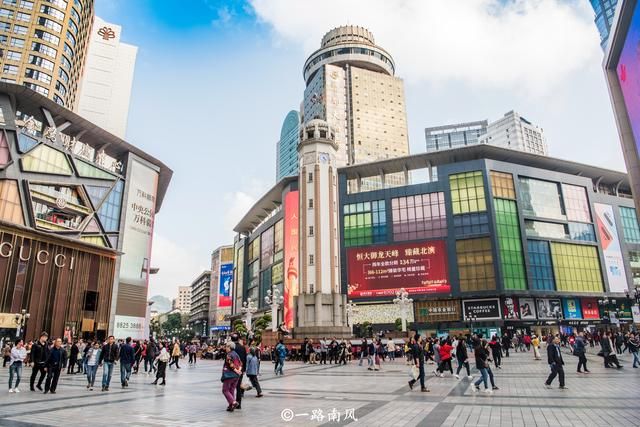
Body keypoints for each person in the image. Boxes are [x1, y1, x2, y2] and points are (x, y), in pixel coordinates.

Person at [221, 342, 242, 412]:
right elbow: (240, 363)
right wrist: (239, 370)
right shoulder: (236, 354)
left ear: (229, 347)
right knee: (231, 390)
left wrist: (236, 370)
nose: (225, 348)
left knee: (225, 390)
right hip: (237, 376)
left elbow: (231, 364)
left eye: (226, 347)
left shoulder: (229, 355)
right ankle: (231, 406)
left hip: (229, 375)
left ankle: (233, 402)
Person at [231, 334, 247, 410]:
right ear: (238, 339)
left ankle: (232, 402)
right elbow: (245, 359)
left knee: (231, 387)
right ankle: (239, 404)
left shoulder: (231, 348)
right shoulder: (242, 347)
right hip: (240, 369)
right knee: (238, 387)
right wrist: (244, 369)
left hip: (232, 370)